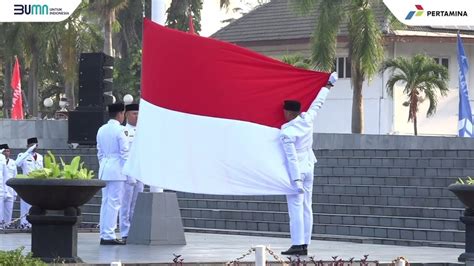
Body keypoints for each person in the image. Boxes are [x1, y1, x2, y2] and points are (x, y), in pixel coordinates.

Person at [280, 72, 337, 256]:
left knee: (296, 207)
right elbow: (318, 103)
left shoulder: (287, 132)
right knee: (307, 206)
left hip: (298, 170)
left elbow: (291, 158)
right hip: (310, 165)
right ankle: (305, 243)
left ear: (288, 113)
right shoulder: (308, 118)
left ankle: (297, 244)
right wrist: (329, 85)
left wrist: (295, 180)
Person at [97, 102, 129, 245]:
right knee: (114, 203)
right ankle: (109, 235)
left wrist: (103, 166)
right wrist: (128, 171)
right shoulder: (120, 130)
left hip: (104, 168)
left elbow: (100, 153)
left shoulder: (101, 129)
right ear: (120, 114)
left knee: (105, 202)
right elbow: (124, 153)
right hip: (117, 170)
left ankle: (104, 233)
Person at [119, 103, 143, 241]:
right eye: (134, 113)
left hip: (139, 170)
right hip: (128, 171)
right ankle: (125, 232)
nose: (137, 116)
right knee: (125, 203)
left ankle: (135, 229)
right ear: (126, 115)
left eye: (139, 113)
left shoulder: (143, 131)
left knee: (137, 203)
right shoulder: (123, 131)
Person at [16, 137, 43, 230]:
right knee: (25, 204)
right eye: (32, 145)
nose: (34, 147)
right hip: (26, 184)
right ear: (27, 146)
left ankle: (33, 224)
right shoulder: (22, 155)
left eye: (36, 145)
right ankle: (24, 224)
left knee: (34, 204)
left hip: (37, 184)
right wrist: (28, 151)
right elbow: (17, 163)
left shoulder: (40, 157)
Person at [0, 144, 17, 228]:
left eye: (8, 151)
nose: (7, 153)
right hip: (1, 189)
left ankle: (7, 225)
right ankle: (1, 224)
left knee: (8, 210)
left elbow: (14, 177)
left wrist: (15, 193)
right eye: (5, 151)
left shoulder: (13, 162)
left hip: (10, 190)